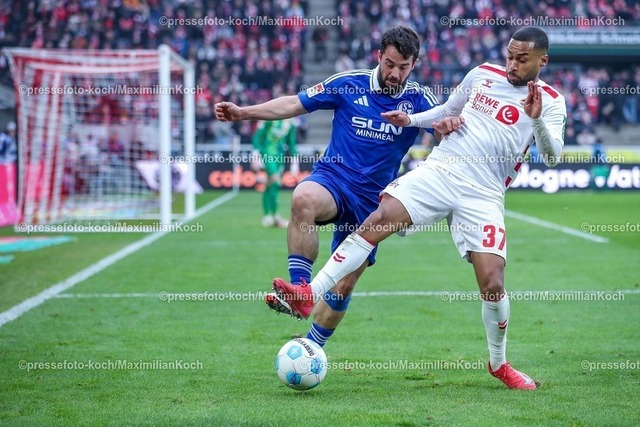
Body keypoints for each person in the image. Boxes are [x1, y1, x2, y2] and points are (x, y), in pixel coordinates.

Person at [271, 27, 566, 390]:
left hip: (485, 193)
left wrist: (536, 118)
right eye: (509, 56)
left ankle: (499, 364)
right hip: (441, 169)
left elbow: (552, 157)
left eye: (521, 59)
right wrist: (410, 120)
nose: (512, 65)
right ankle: (309, 293)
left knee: (492, 282)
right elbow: (445, 112)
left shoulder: (551, 101)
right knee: (378, 220)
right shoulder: (482, 74)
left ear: (542, 60)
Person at [215, 26, 440, 347]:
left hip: (373, 203)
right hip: (334, 180)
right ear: (379, 56)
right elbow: (295, 104)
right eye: (390, 64)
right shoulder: (349, 83)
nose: (395, 73)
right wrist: (244, 113)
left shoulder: (420, 99)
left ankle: (310, 348)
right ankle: (300, 289)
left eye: (403, 67)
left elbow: (444, 130)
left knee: (344, 284)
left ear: (414, 64)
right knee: (303, 197)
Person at [251, 118, 298, 228]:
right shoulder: (269, 119)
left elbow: (291, 143)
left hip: (279, 157)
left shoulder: (290, 123)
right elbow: (257, 137)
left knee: (271, 185)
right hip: (267, 154)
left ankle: (268, 216)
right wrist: (256, 155)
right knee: (275, 181)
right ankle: (274, 215)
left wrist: (295, 162)